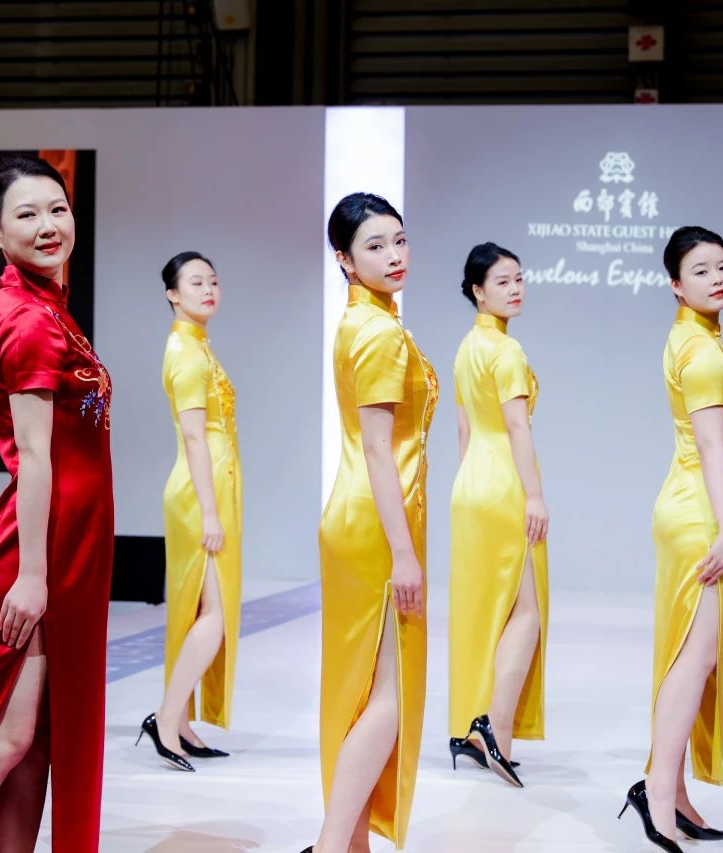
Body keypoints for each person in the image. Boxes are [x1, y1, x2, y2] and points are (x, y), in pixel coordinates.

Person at [0, 155, 114, 853]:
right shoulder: (29, 320)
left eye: (57, 209)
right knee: (7, 736)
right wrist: (34, 576)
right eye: (26, 215)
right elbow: (34, 455)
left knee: (33, 739)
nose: (47, 225)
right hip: (38, 552)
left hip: (66, 546)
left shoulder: (48, 309)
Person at [620, 226, 723, 852]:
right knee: (694, 658)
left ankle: (673, 794)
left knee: (690, 655)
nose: (717, 278)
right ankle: (657, 793)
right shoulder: (701, 350)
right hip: (702, 514)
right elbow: (710, 445)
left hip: (696, 507)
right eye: (701, 271)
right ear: (676, 285)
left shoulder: (696, 337)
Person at [306, 192, 437, 853]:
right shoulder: (381, 332)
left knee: (358, 690)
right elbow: (381, 450)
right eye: (375, 246)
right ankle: (333, 844)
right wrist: (404, 553)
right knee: (387, 695)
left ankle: (348, 843)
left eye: (399, 240)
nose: (393, 255)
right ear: (345, 259)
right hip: (381, 523)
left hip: (360, 514)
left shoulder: (361, 321)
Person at [447, 242, 547, 789]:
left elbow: (464, 430)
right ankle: (494, 728)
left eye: (519, 279)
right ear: (477, 292)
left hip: (471, 484)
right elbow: (516, 427)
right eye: (502, 282)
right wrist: (534, 495)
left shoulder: (467, 347)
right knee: (526, 612)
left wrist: (469, 486)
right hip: (504, 482)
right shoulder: (506, 351)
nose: (515, 288)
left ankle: (482, 732)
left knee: (493, 611)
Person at [141, 251, 242, 769]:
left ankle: (178, 722)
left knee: (197, 612)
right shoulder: (186, 352)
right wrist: (208, 512)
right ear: (172, 294)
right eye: (196, 282)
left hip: (212, 488)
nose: (208, 289)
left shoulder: (198, 346)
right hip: (200, 492)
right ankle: (165, 719)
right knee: (214, 615)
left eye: (213, 281)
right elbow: (195, 437)